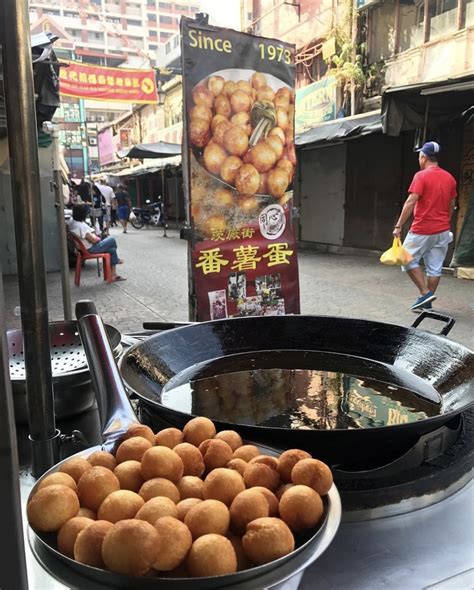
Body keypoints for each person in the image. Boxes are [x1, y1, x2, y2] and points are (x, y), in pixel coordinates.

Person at [393, 141, 456, 311]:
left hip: (422, 228)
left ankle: (425, 293)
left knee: (404, 258)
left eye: (420, 155)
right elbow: (452, 204)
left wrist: (399, 225)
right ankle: (426, 303)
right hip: (443, 230)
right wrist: (445, 221)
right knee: (435, 267)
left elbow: (411, 201)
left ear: (424, 157)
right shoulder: (450, 178)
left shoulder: (421, 176)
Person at [68, 204, 126, 282]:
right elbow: (93, 240)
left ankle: (114, 275)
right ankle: (116, 260)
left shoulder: (72, 222)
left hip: (83, 248)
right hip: (90, 249)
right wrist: (97, 238)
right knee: (112, 239)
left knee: (112, 250)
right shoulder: (80, 226)